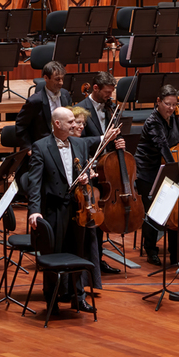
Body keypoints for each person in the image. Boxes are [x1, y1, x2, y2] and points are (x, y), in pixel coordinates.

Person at [28, 106, 121, 313]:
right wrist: (34, 210)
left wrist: (85, 178)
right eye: (70, 122)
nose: (75, 125)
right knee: (53, 255)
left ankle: (79, 297)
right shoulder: (41, 147)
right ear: (57, 124)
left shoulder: (79, 144)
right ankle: (52, 300)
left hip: (77, 207)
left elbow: (83, 169)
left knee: (78, 252)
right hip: (53, 210)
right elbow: (34, 183)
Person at [133, 84, 179, 267]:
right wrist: (176, 168)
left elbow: (175, 142)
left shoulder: (174, 118)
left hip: (166, 168)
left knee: (174, 211)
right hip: (147, 171)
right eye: (167, 104)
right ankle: (150, 250)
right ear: (158, 101)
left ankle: (178, 252)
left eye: (174, 104)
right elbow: (163, 146)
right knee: (153, 213)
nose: (171, 108)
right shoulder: (152, 122)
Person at [75, 73, 124, 276]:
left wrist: (118, 143)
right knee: (91, 216)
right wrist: (104, 138)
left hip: (107, 169)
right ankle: (87, 260)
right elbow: (79, 139)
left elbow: (114, 136)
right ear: (95, 88)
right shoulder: (81, 109)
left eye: (111, 92)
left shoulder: (111, 108)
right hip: (87, 167)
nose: (109, 96)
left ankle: (98, 258)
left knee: (101, 215)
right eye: (106, 92)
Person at [17, 60, 73, 153]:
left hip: (64, 145)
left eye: (62, 79)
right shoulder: (35, 101)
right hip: (43, 149)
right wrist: (28, 148)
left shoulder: (65, 95)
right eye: (57, 79)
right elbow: (21, 125)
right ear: (46, 78)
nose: (61, 83)